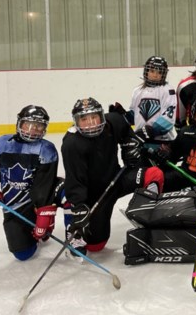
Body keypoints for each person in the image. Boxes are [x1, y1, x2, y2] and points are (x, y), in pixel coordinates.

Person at [62, 97, 156, 253]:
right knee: (95, 246)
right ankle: (69, 214)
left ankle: (149, 219)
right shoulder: (72, 144)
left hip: (117, 179)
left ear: (102, 116)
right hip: (96, 194)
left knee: (154, 174)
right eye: (84, 119)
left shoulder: (113, 121)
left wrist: (129, 146)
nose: (91, 122)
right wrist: (78, 207)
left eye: (94, 117)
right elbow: (75, 179)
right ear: (76, 122)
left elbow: (126, 131)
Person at [0, 105, 62, 261]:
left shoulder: (46, 149)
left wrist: (44, 214)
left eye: (39, 126)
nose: (33, 130)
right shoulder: (1, 144)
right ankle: (31, 233)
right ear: (19, 124)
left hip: (35, 200)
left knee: (66, 191)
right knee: (23, 254)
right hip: (13, 205)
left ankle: (61, 231)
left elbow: (45, 184)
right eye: (29, 125)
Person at [125, 55, 179, 164]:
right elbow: (135, 115)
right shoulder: (137, 91)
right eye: (152, 70)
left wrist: (150, 131)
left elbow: (168, 119)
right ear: (146, 71)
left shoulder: (168, 90)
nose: (155, 74)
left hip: (161, 143)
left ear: (164, 74)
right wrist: (122, 115)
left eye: (159, 72)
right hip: (142, 142)